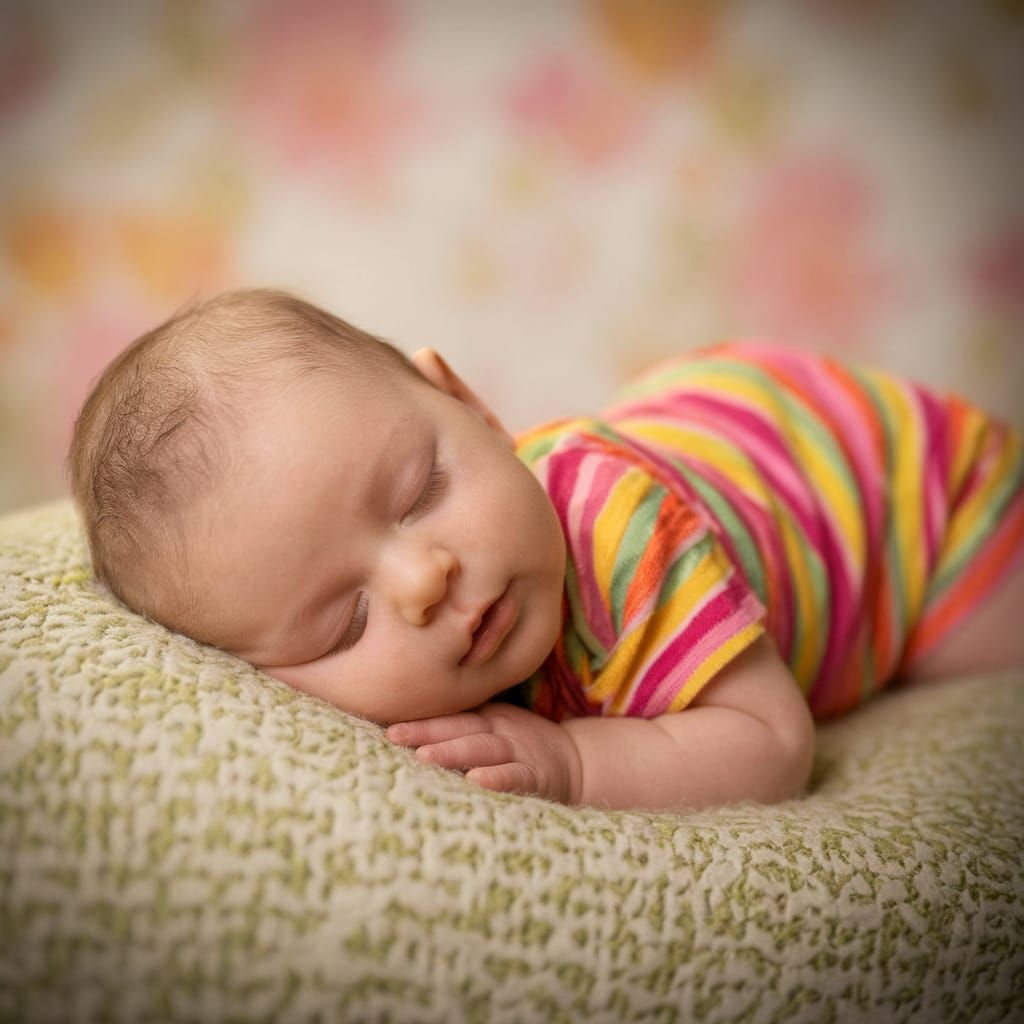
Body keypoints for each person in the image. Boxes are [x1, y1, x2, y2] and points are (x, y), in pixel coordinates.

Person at [67, 289, 1024, 813]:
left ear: (473, 407)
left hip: (890, 480)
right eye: (344, 620)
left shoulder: (625, 542)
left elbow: (773, 745)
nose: (423, 580)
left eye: (422, 492)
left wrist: (572, 763)